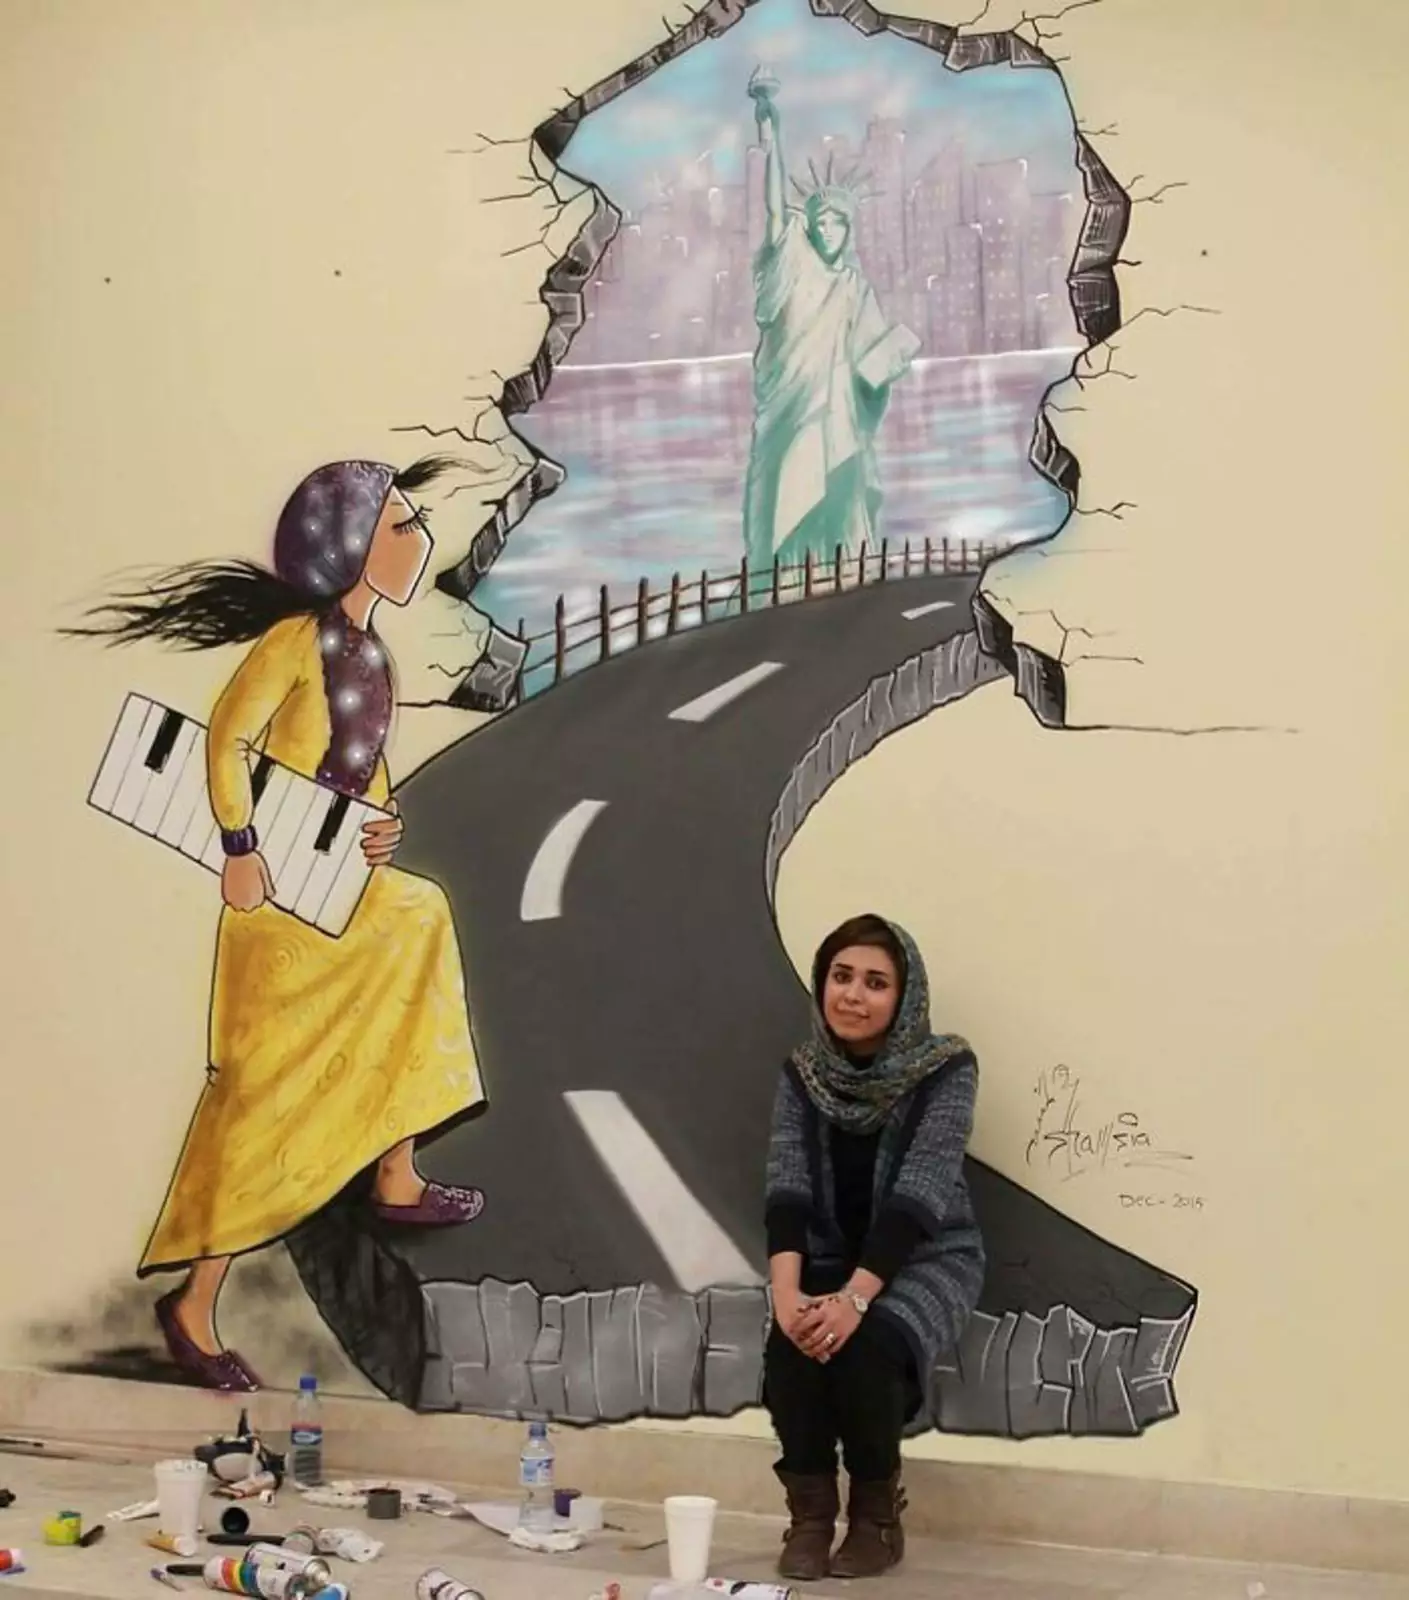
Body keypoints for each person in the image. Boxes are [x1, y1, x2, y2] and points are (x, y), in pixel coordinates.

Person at [68, 457, 487, 1392]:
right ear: (351, 546)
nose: (419, 542)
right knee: (256, 1094)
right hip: (272, 903)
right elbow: (228, 739)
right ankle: (193, 1302)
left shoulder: (372, 655)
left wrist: (381, 827)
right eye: (401, 525)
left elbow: (362, 770)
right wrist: (240, 844)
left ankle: (395, 1168)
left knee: (421, 915)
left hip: (331, 882)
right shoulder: (295, 642)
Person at [763, 913, 984, 1580]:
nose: (852, 995)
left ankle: (875, 1519)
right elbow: (787, 1189)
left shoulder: (946, 1069)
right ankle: (809, 1518)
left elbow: (919, 1195)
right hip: (829, 1253)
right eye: (841, 976)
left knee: (865, 1349)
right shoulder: (803, 1072)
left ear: (904, 998)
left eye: (875, 982)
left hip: (926, 1256)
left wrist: (855, 1300)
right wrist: (785, 1297)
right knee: (792, 1347)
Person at [742, 75, 919, 581]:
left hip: (837, 412)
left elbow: (873, 359)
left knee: (837, 498)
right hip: (791, 407)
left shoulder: (854, 289)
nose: (826, 229)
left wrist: (885, 365)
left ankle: (836, 585)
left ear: (849, 228)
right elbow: (775, 209)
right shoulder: (793, 264)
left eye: (836, 221)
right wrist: (773, 139)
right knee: (787, 496)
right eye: (819, 221)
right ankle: (787, 586)